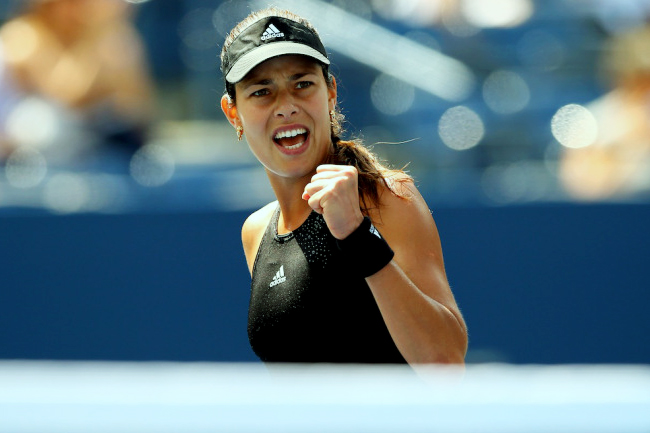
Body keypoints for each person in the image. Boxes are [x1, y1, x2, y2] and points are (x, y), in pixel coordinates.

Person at [220, 8, 467, 364]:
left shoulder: (385, 196)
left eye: (302, 84)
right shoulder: (256, 232)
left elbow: (446, 361)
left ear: (330, 92)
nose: (286, 107)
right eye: (262, 92)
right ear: (233, 114)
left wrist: (357, 235)